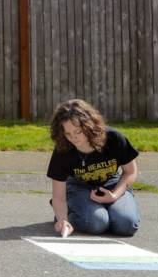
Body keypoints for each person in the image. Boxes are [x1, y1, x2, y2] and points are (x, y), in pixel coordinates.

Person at [47, 99, 140, 237]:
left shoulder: (114, 138)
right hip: (79, 187)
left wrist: (114, 195)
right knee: (97, 223)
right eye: (68, 133)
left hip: (113, 183)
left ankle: (103, 212)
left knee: (127, 224)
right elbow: (59, 196)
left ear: (88, 125)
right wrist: (63, 219)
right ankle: (72, 213)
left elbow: (130, 172)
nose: (73, 138)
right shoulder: (62, 149)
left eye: (78, 131)